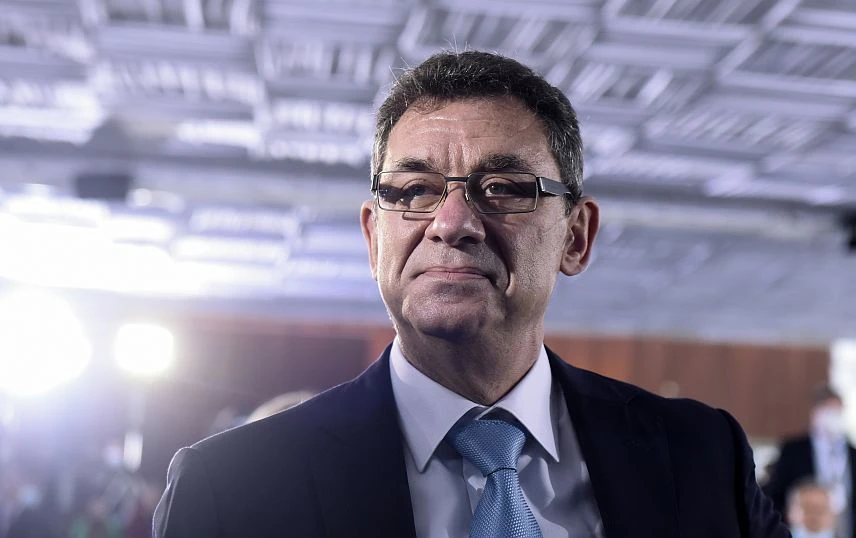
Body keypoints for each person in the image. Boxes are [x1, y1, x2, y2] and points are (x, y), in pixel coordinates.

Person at [153, 50, 790, 537]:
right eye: (415, 191)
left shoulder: (701, 455)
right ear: (375, 238)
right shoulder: (232, 487)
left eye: (504, 188)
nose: (452, 222)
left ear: (575, 237)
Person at [765, 387, 856, 538]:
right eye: (828, 410)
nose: (834, 417)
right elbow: (776, 491)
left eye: (837, 411)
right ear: (815, 413)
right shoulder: (793, 450)